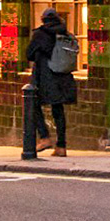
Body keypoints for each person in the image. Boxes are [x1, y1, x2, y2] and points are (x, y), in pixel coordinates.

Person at [25, 8, 78, 156]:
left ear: (43, 19)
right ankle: (61, 146)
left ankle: (44, 137)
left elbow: (29, 54)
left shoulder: (41, 34)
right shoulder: (65, 33)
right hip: (63, 77)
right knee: (58, 110)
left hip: (45, 76)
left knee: (33, 104)